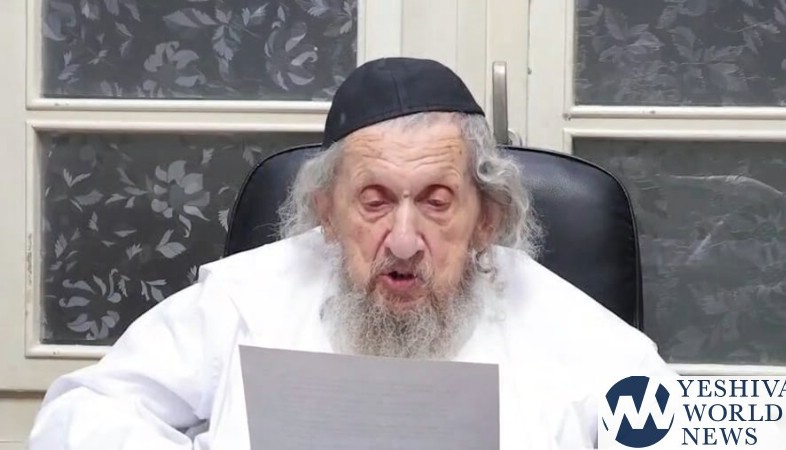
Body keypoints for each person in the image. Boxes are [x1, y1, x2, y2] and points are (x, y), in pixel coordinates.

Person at [28, 57, 673, 450]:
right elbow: (80, 416)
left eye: (437, 201)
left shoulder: (575, 332)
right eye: (373, 201)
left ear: (487, 219)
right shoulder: (242, 302)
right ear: (327, 217)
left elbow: (665, 431)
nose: (403, 240)